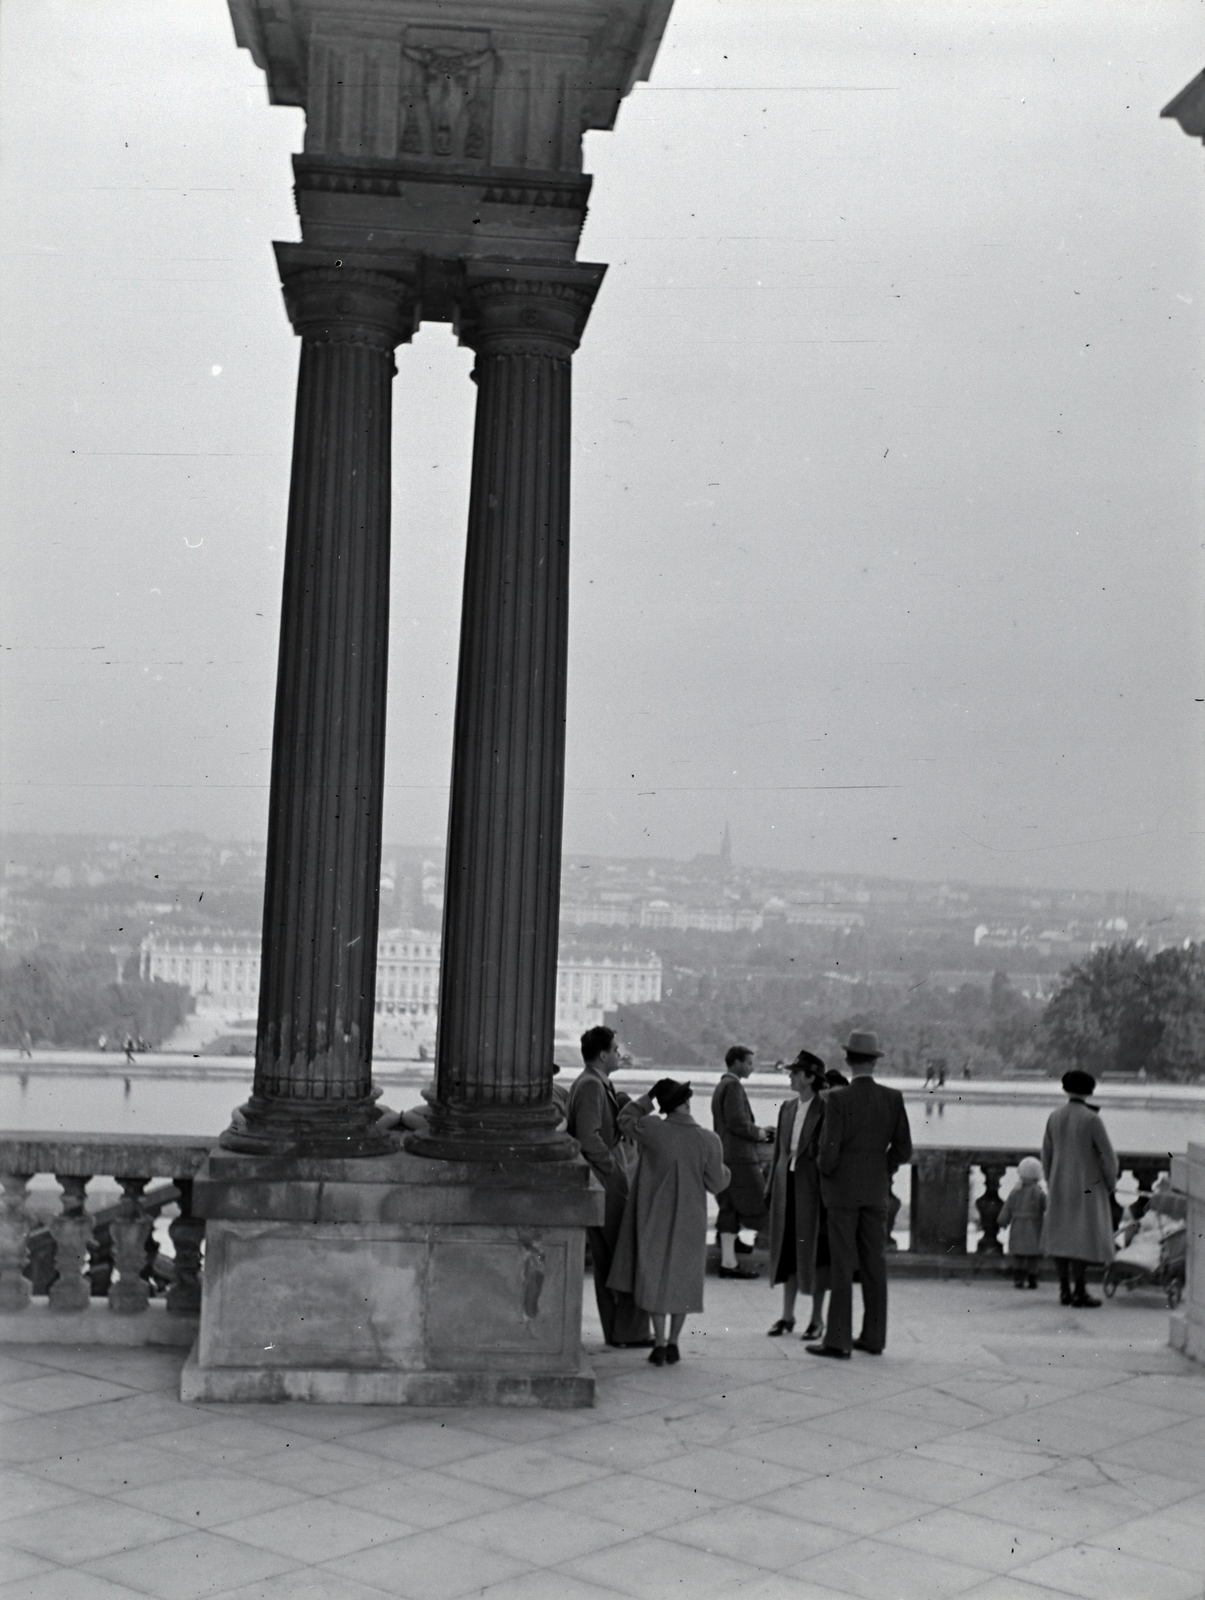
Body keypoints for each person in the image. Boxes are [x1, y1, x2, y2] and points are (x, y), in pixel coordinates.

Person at [609, 1079, 730, 1366]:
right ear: (687, 1102)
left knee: (654, 1276)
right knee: (682, 1280)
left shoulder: (653, 1129)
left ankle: (660, 1341)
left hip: (654, 1216)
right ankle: (675, 1342)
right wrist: (725, 1170)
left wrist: (648, 1097)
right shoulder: (709, 1139)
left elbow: (624, 1118)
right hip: (691, 1218)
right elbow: (717, 1183)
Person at [811, 1029, 912, 1359]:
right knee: (874, 1262)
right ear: (874, 1061)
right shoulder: (893, 1098)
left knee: (842, 1263)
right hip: (876, 1187)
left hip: (842, 1189)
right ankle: (873, 1337)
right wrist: (883, 1170)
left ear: (849, 1060)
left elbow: (828, 1150)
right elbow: (903, 1149)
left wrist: (826, 1171)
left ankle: (838, 1340)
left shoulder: (838, 1099)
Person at [566, 1025, 652, 1347]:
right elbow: (588, 1136)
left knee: (609, 1261)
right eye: (616, 1050)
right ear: (603, 1055)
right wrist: (613, 1169)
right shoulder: (590, 1085)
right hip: (606, 1183)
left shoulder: (591, 1083)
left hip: (601, 1182)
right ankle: (629, 1333)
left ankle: (620, 1333)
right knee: (623, 1257)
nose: (619, 1054)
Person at [765, 1049, 830, 1340]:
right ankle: (787, 1316)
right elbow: (780, 1150)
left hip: (813, 1192)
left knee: (815, 1255)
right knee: (788, 1252)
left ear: (809, 1078)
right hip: (787, 1185)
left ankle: (817, 1320)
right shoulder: (788, 1108)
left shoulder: (826, 1108)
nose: (790, 1076)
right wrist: (771, 1188)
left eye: (795, 1073)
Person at [1040, 1069, 1118, 1308]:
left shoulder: (1054, 1116)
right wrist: (1110, 1183)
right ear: (1090, 1091)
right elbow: (1108, 1157)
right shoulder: (1092, 1119)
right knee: (1081, 1238)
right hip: (1088, 1186)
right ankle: (1080, 1290)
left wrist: (1051, 1180)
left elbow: (1046, 1155)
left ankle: (1064, 1289)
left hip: (1060, 1184)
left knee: (1061, 1238)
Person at [711, 1044, 773, 1277]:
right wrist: (761, 1134)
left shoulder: (721, 1086)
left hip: (724, 1154)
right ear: (736, 1062)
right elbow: (737, 1122)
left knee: (728, 1206)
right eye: (748, 1062)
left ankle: (729, 1261)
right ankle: (732, 1260)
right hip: (740, 1157)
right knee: (759, 1202)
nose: (752, 1067)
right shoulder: (734, 1086)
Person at [1000, 1156, 1046, 1289]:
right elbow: (1047, 1208)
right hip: (1035, 1227)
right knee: (1033, 1257)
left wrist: (1003, 1221)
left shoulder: (1015, 1192)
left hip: (1018, 1226)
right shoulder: (1039, 1192)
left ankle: (1018, 1278)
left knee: (1018, 1256)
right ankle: (1032, 1279)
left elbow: (1007, 1208)